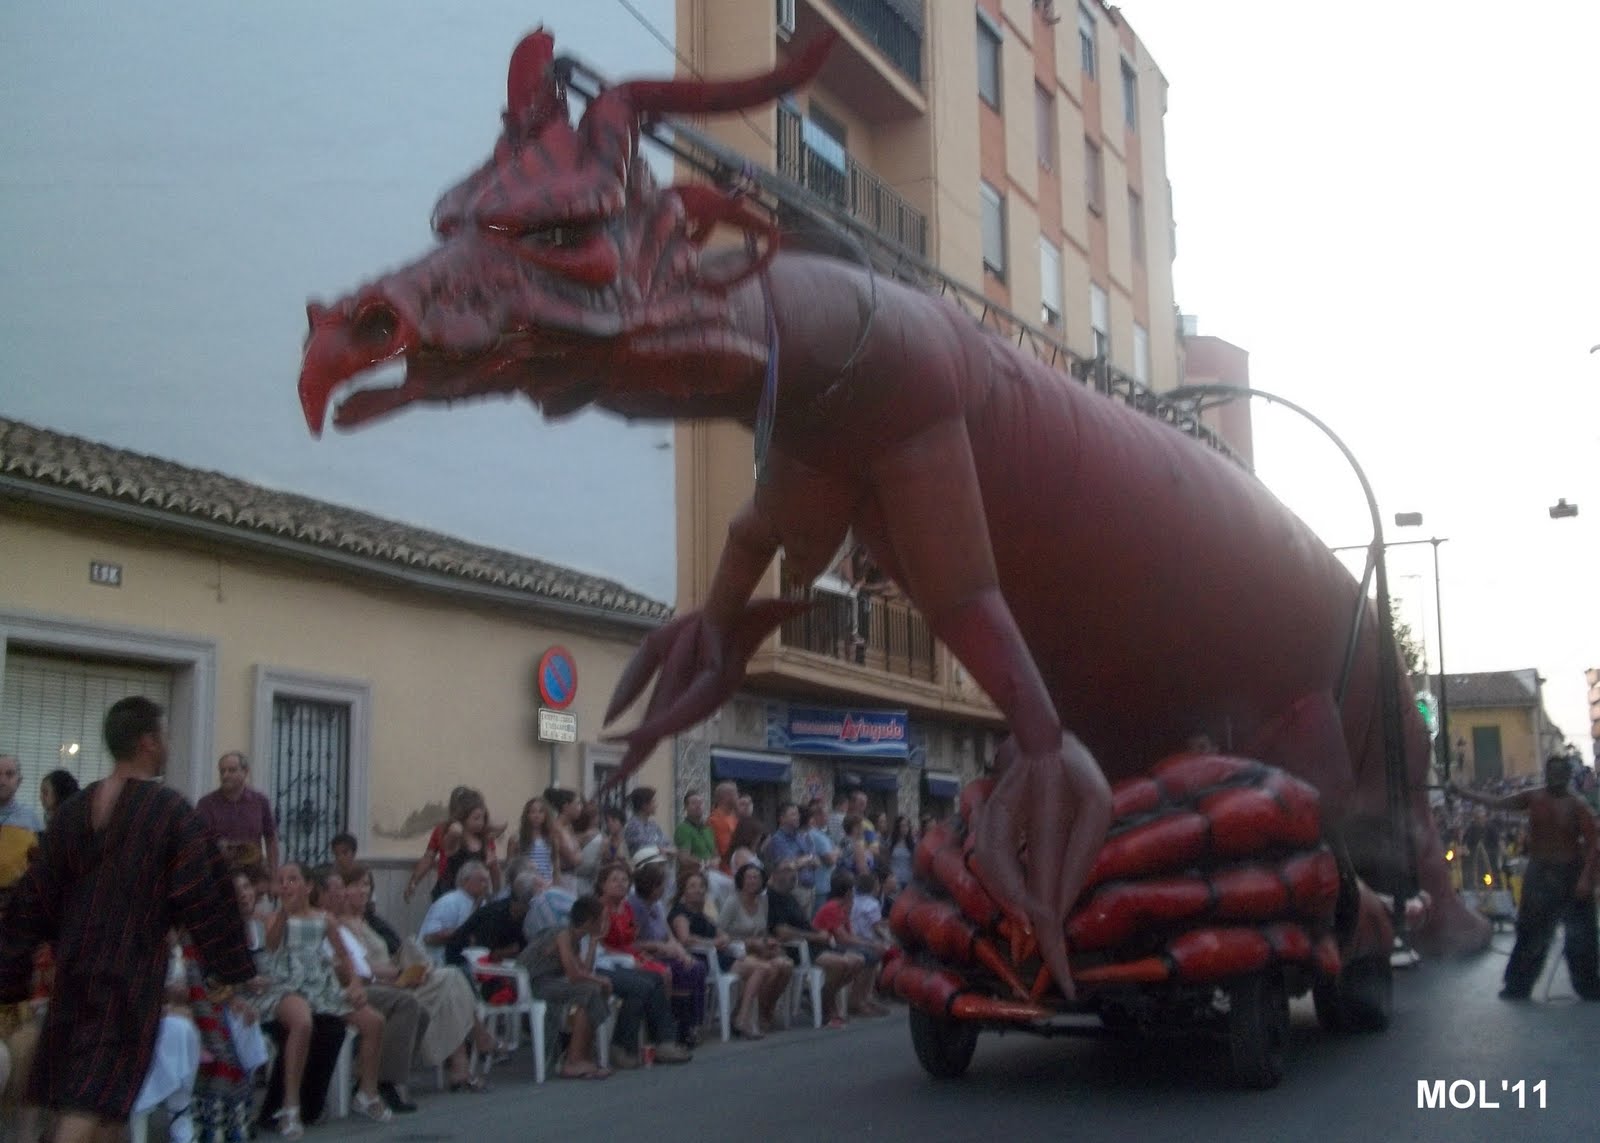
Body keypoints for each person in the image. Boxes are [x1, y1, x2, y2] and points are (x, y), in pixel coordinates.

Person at [0, 697, 257, 1142]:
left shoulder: (74, 811)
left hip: (74, 974)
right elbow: (207, 893)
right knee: (91, 1103)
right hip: (126, 980)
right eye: (164, 735)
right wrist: (233, 967)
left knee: (109, 1107)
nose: (168, 743)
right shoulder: (169, 812)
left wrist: (11, 969)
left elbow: (33, 898)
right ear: (148, 742)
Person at [335, 866, 498, 1094]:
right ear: (342, 891)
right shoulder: (341, 926)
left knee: (451, 985)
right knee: (451, 979)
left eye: (366, 885)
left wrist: (410, 970)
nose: (363, 891)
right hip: (381, 986)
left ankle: (462, 1064)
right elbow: (361, 968)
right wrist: (400, 974)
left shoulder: (368, 922)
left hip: (397, 978)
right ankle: (474, 1046)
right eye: (356, 885)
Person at [254, 861, 392, 1131]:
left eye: (292, 879)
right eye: (281, 881)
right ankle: (290, 1106)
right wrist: (284, 914)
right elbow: (271, 945)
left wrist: (355, 984)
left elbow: (344, 956)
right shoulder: (274, 918)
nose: (286, 885)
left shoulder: (324, 919)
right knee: (303, 1021)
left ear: (308, 886)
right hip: (287, 983)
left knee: (373, 1021)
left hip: (320, 983)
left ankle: (367, 1093)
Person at [1454, 755, 1599, 1001]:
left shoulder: (1577, 805)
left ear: (1567, 776)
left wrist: (1586, 879)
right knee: (1530, 932)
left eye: (1560, 773)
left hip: (1569, 872)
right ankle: (1518, 985)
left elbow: (1595, 844)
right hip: (1540, 872)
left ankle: (1588, 984)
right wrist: (1463, 792)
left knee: (1581, 935)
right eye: (1552, 773)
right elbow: (1498, 802)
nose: (1555, 778)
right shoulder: (1535, 797)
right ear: (1547, 774)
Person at [592, 863, 693, 1066]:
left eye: (624, 880)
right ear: (603, 885)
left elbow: (632, 940)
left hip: (626, 956)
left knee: (656, 978)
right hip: (604, 962)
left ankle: (664, 1041)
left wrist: (639, 956)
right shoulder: (598, 910)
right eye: (614, 880)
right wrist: (630, 959)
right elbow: (598, 947)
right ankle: (622, 1045)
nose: (621, 884)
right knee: (642, 985)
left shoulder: (627, 908)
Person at [668, 870, 784, 1041]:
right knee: (761, 968)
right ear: (683, 890)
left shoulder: (700, 913)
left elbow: (720, 932)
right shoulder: (681, 913)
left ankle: (740, 1016)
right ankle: (741, 1019)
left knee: (766, 968)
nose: (698, 890)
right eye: (692, 886)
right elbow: (685, 939)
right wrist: (713, 943)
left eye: (701, 886)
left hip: (720, 956)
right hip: (703, 958)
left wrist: (723, 938)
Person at [517, 895, 613, 1079]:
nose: (605, 923)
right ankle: (573, 1061)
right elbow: (574, 975)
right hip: (534, 983)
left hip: (553, 982)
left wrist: (593, 942)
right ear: (590, 921)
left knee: (593, 990)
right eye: (602, 919)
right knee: (589, 990)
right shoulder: (562, 935)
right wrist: (600, 980)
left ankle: (580, 1054)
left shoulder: (575, 940)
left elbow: (584, 970)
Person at [765, 859, 867, 1027]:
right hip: (798, 949)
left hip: (814, 943)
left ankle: (823, 997)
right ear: (775, 874)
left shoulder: (791, 897)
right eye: (787, 870)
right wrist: (814, 937)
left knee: (858, 961)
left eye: (793, 871)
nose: (793, 875)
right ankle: (825, 1005)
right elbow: (782, 932)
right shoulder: (772, 897)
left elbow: (804, 924)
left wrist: (819, 933)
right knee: (841, 963)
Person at [624, 862, 707, 1047]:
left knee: (696, 967)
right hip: (646, 955)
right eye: (662, 884)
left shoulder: (657, 905)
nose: (664, 889)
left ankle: (693, 1025)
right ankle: (678, 1028)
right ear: (652, 886)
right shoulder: (635, 907)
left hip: (665, 953)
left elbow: (669, 935)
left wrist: (681, 952)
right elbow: (631, 943)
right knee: (683, 972)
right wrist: (658, 946)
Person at [716, 864, 795, 1034]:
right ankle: (746, 1014)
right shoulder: (733, 902)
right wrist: (748, 942)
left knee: (786, 965)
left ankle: (766, 1009)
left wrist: (768, 941)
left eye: (756, 877)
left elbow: (762, 931)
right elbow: (719, 932)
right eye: (749, 877)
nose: (753, 881)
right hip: (737, 951)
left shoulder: (763, 901)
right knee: (771, 969)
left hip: (759, 950)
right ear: (742, 880)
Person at [812, 871, 890, 1016]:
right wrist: (870, 944)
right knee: (868, 955)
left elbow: (850, 934)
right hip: (827, 946)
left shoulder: (844, 907)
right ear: (848, 892)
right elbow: (843, 938)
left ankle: (864, 997)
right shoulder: (832, 907)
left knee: (874, 954)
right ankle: (855, 1001)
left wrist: (870, 943)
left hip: (837, 944)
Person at [194, 752, 280, 879]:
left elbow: (271, 838)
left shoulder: (260, 801)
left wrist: (273, 875)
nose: (225, 775)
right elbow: (198, 841)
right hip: (218, 877)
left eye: (231, 770)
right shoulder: (206, 804)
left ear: (245, 772)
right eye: (222, 771)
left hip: (253, 878)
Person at [330, 832, 401, 956]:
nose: (340, 858)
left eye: (345, 853)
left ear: (353, 853)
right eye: (337, 854)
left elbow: (370, 903)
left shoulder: (364, 872)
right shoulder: (333, 876)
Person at [420, 861, 492, 966]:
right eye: (481, 880)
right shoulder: (449, 901)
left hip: (471, 961)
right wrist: (463, 933)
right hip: (440, 962)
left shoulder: (483, 903)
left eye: (487, 881)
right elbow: (429, 938)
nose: (486, 885)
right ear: (465, 881)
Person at [763, 802, 821, 915]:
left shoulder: (802, 836)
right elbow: (788, 865)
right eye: (793, 814)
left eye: (797, 814)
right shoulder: (778, 839)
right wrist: (807, 859)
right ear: (782, 818)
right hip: (794, 889)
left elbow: (817, 862)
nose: (797, 817)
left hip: (810, 888)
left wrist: (803, 860)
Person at [0, 755, 43, 893]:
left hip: (16, 899)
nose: (2, 781)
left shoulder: (31, 820)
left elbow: (39, 864)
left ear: (19, 781)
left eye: (9, 774)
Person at [674, 790, 718, 866]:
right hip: (694, 871)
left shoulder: (708, 829)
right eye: (694, 803)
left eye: (700, 803)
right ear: (686, 807)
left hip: (712, 870)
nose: (698, 806)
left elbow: (715, 854)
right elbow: (684, 858)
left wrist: (716, 860)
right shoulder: (683, 829)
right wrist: (704, 863)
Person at [707, 781, 740, 861]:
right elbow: (717, 850)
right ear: (726, 797)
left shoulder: (735, 818)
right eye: (735, 794)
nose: (738, 797)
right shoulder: (713, 821)